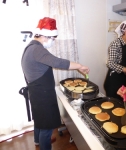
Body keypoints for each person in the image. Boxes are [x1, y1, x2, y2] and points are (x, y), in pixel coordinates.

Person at [21, 17, 89, 150]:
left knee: (39, 120)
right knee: (46, 127)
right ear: (46, 36)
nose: (53, 41)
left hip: (36, 92)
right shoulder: (37, 49)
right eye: (53, 38)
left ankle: (37, 140)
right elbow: (58, 62)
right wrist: (79, 66)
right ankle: (43, 143)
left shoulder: (30, 47)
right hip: (42, 94)